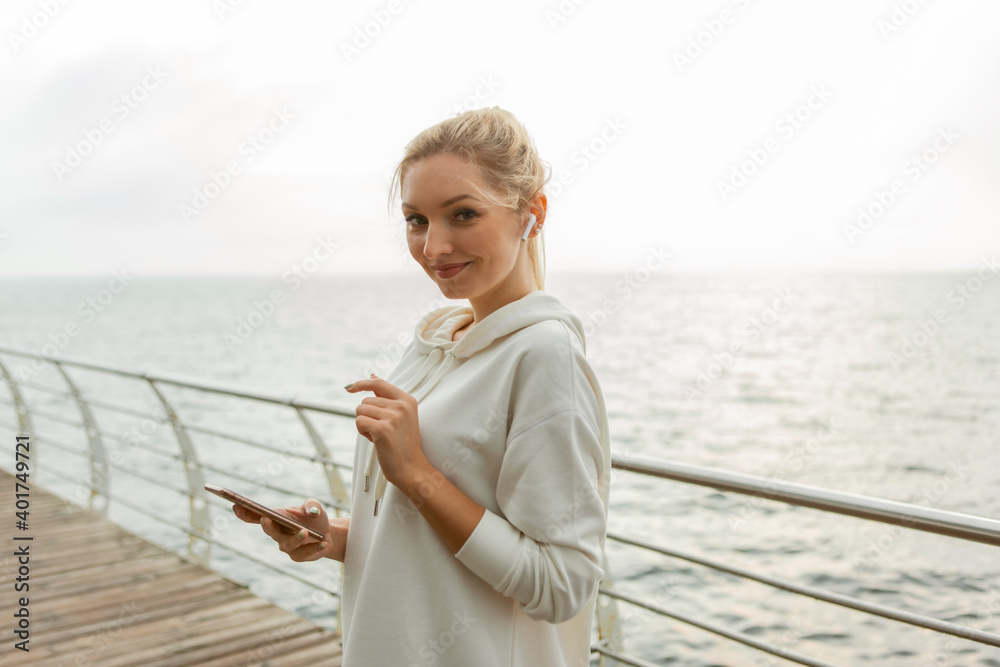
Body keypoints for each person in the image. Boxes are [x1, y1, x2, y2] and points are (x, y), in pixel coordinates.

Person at [234, 107, 611, 666]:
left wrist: (415, 473)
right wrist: (335, 537)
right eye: (416, 220)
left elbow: (561, 586)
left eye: (463, 214)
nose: (434, 247)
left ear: (533, 214)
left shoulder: (544, 356)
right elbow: (423, 536)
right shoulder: (439, 341)